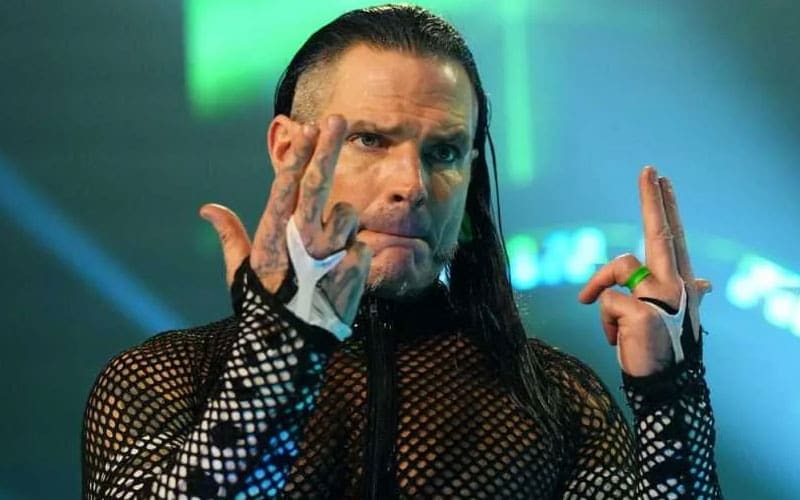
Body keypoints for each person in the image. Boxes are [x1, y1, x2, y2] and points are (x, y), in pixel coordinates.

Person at [82, 4, 721, 499]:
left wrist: (671, 394)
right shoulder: (168, 378)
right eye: (370, 140)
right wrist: (277, 361)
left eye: (443, 152)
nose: (412, 185)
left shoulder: (555, 400)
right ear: (287, 149)